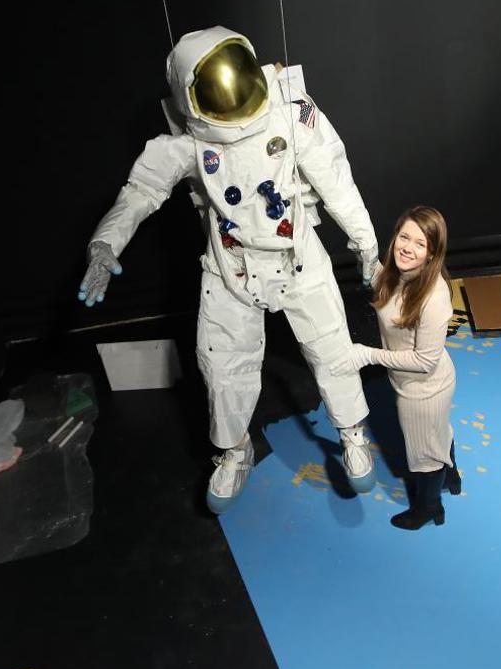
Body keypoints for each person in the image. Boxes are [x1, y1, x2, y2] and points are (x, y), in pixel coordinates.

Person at [79, 26, 383, 514]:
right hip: (230, 268)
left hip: (297, 256)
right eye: (217, 91)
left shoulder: (291, 115)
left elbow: (336, 179)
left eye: (239, 80)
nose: (234, 99)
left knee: (332, 350)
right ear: (190, 98)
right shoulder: (188, 145)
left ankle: (352, 433)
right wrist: (104, 243)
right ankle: (234, 451)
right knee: (222, 369)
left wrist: (366, 245)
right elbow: (141, 192)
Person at [350, 206, 461, 530]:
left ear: (432, 254)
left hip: (423, 390)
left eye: (420, 243)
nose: (408, 248)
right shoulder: (398, 275)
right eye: (404, 237)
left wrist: (369, 355)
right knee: (439, 434)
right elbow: (383, 285)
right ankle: (451, 477)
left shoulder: (433, 297)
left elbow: (424, 362)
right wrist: (364, 255)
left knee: (424, 456)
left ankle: (429, 508)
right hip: (415, 383)